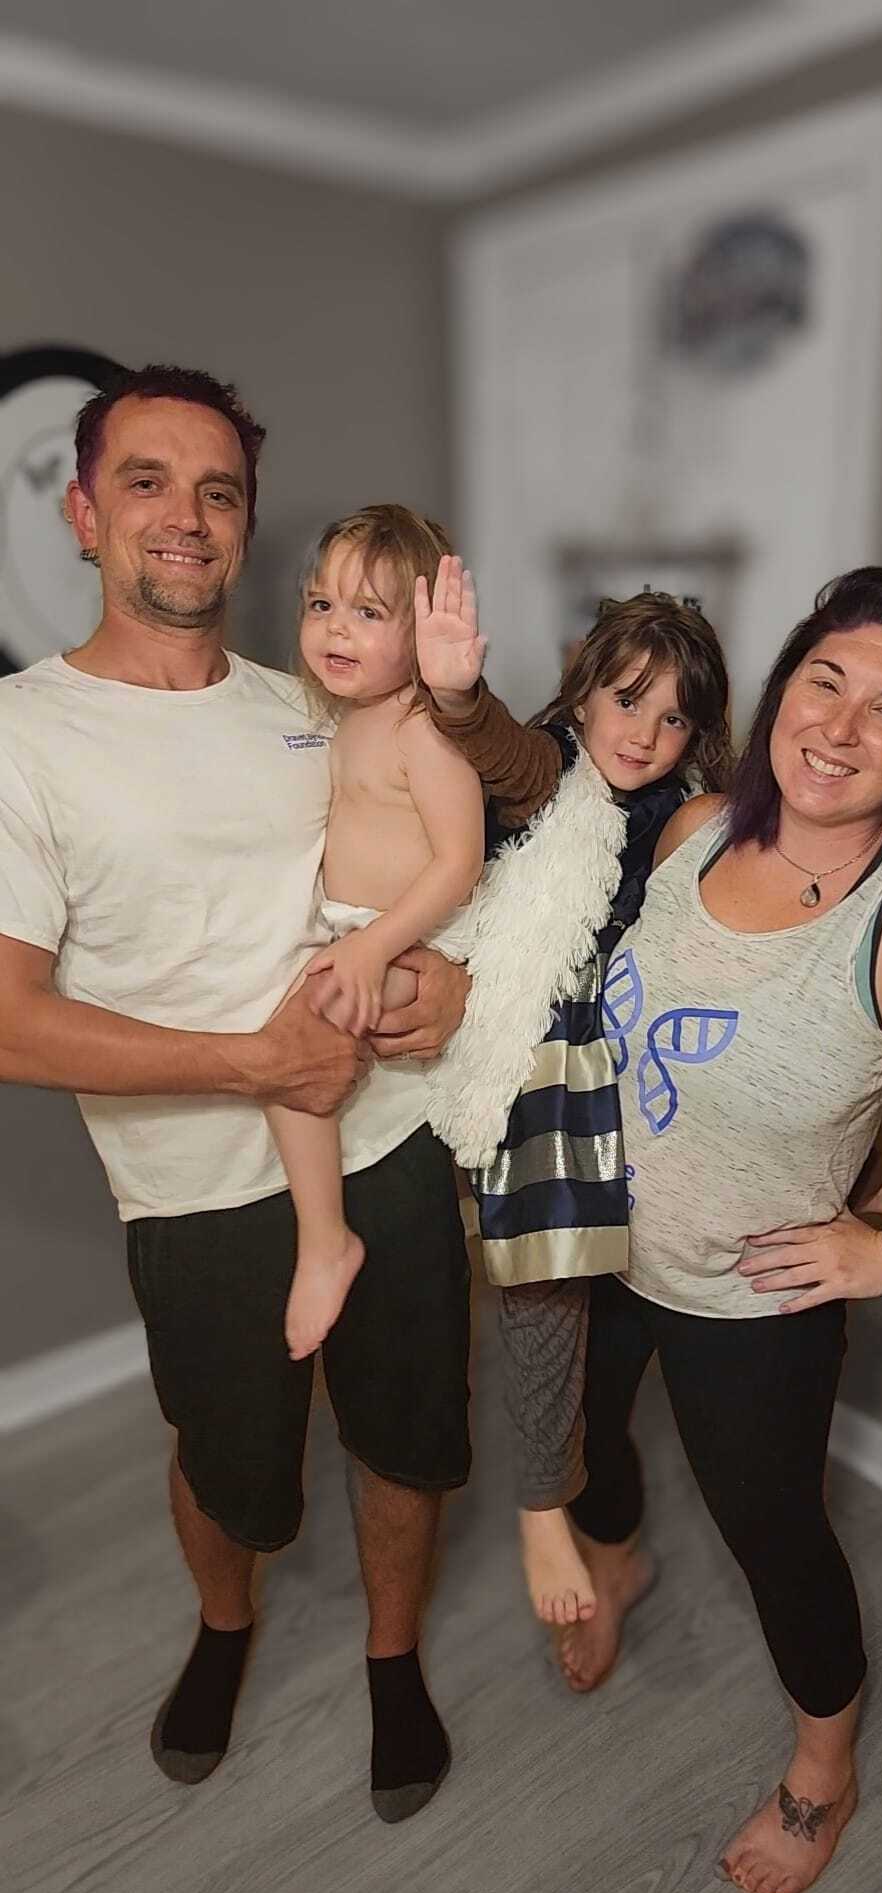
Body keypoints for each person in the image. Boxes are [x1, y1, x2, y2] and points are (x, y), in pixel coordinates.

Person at [547, 566, 882, 1893]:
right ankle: (618, 1564)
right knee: (582, 1445)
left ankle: (822, 1772)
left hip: (754, 1305)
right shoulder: (694, 829)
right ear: (783, 686)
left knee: (776, 1545)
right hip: (600, 1247)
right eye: (823, 681)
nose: (837, 727)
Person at [0, 365, 470, 1823]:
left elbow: (434, 857)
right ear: (84, 514)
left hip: (388, 1144)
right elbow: (7, 1021)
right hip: (196, 1189)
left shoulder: (315, 701)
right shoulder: (23, 736)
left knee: (404, 1438)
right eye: (145, 481)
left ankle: (394, 1658)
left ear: (247, 523)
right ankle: (224, 1628)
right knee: (230, 1470)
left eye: (218, 491)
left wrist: (452, 986)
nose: (185, 516)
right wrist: (252, 1064)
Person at [416, 581, 882, 1631]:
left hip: (639, 1056)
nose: (643, 737)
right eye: (626, 703)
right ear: (581, 695)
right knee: (544, 1275)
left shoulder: (686, 819)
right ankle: (542, 1505)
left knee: (771, 1061)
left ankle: (872, 1180)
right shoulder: (554, 768)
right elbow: (504, 759)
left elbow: (756, 1036)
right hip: (539, 1051)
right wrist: (461, 695)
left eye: (673, 721)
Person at [267, 507, 485, 1362]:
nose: (335, 628)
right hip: (357, 934)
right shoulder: (339, 717)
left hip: (409, 940)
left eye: (367, 612)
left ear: (423, 633)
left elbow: (460, 861)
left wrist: (370, 946)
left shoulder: (421, 728)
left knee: (296, 1041)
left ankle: (326, 1241)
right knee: (289, 1051)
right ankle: (323, 1234)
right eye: (321, 605)